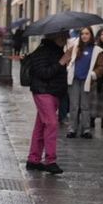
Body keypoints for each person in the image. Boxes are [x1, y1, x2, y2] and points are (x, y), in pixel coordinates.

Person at [23, 32, 68, 175]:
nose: (64, 38)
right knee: (51, 124)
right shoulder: (42, 51)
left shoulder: (57, 51)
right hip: (43, 91)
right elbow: (43, 73)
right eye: (61, 36)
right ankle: (51, 161)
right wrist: (61, 62)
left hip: (54, 92)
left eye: (65, 36)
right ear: (53, 37)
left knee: (41, 125)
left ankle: (33, 159)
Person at [65, 27, 103, 139]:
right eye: (82, 34)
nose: (84, 36)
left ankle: (86, 129)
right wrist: (68, 66)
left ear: (91, 35)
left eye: (87, 33)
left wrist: (94, 73)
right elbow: (64, 59)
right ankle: (72, 129)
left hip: (88, 81)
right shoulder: (74, 47)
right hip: (74, 80)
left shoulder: (97, 50)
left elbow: (102, 66)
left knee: (85, 106)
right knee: (73, 106)